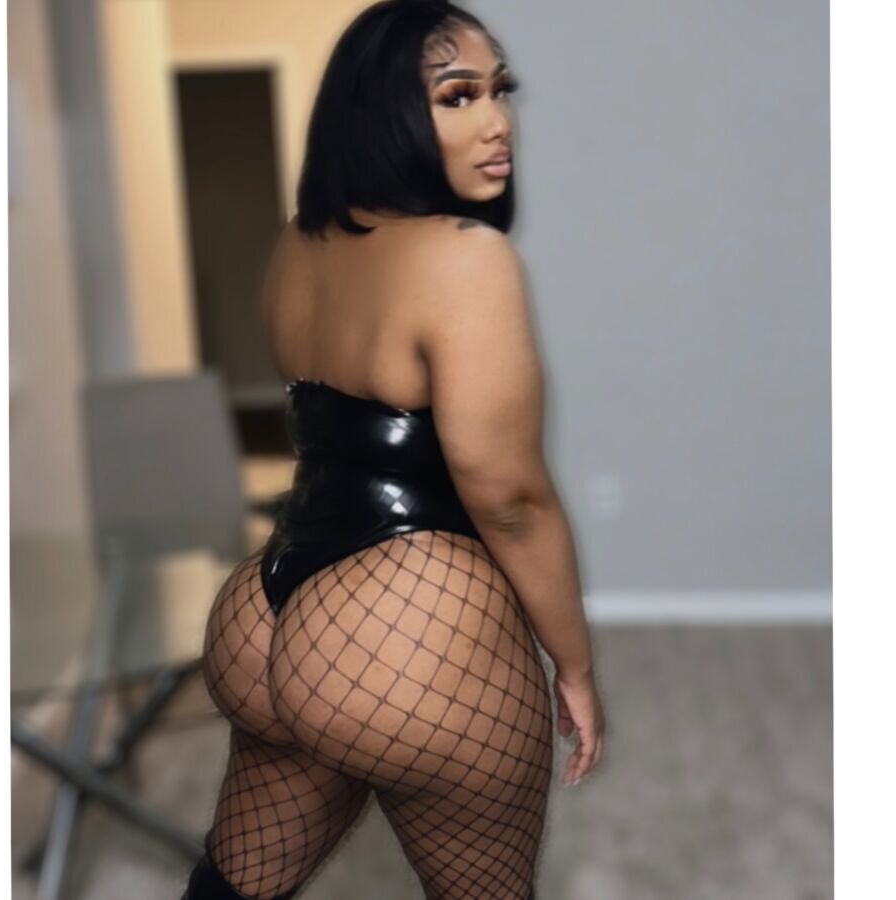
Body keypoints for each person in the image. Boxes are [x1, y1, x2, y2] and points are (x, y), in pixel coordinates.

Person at [184, 2, 605, 897]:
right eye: (457, 96)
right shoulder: (466, 257)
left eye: (499, 91)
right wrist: (572, 660)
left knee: (232, 888)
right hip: (405, 623)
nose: (497, 121)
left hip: (265, 610)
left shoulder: (299, 245)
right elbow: (507, 497)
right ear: (383, 113)